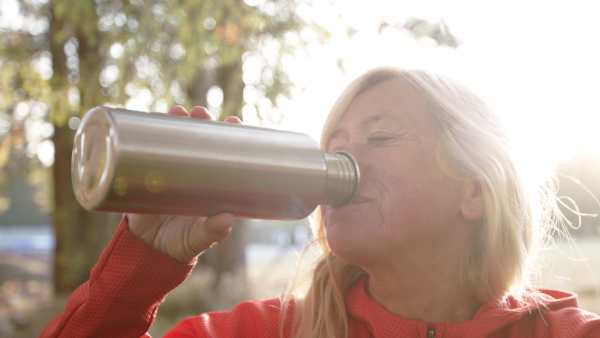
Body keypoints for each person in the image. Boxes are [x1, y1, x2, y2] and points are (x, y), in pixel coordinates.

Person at [41, 67, 600, 337]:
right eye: (334, 147)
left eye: (380, 137)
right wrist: (143, 263)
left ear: (476, 189)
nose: (346, 163)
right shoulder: (263, 332)